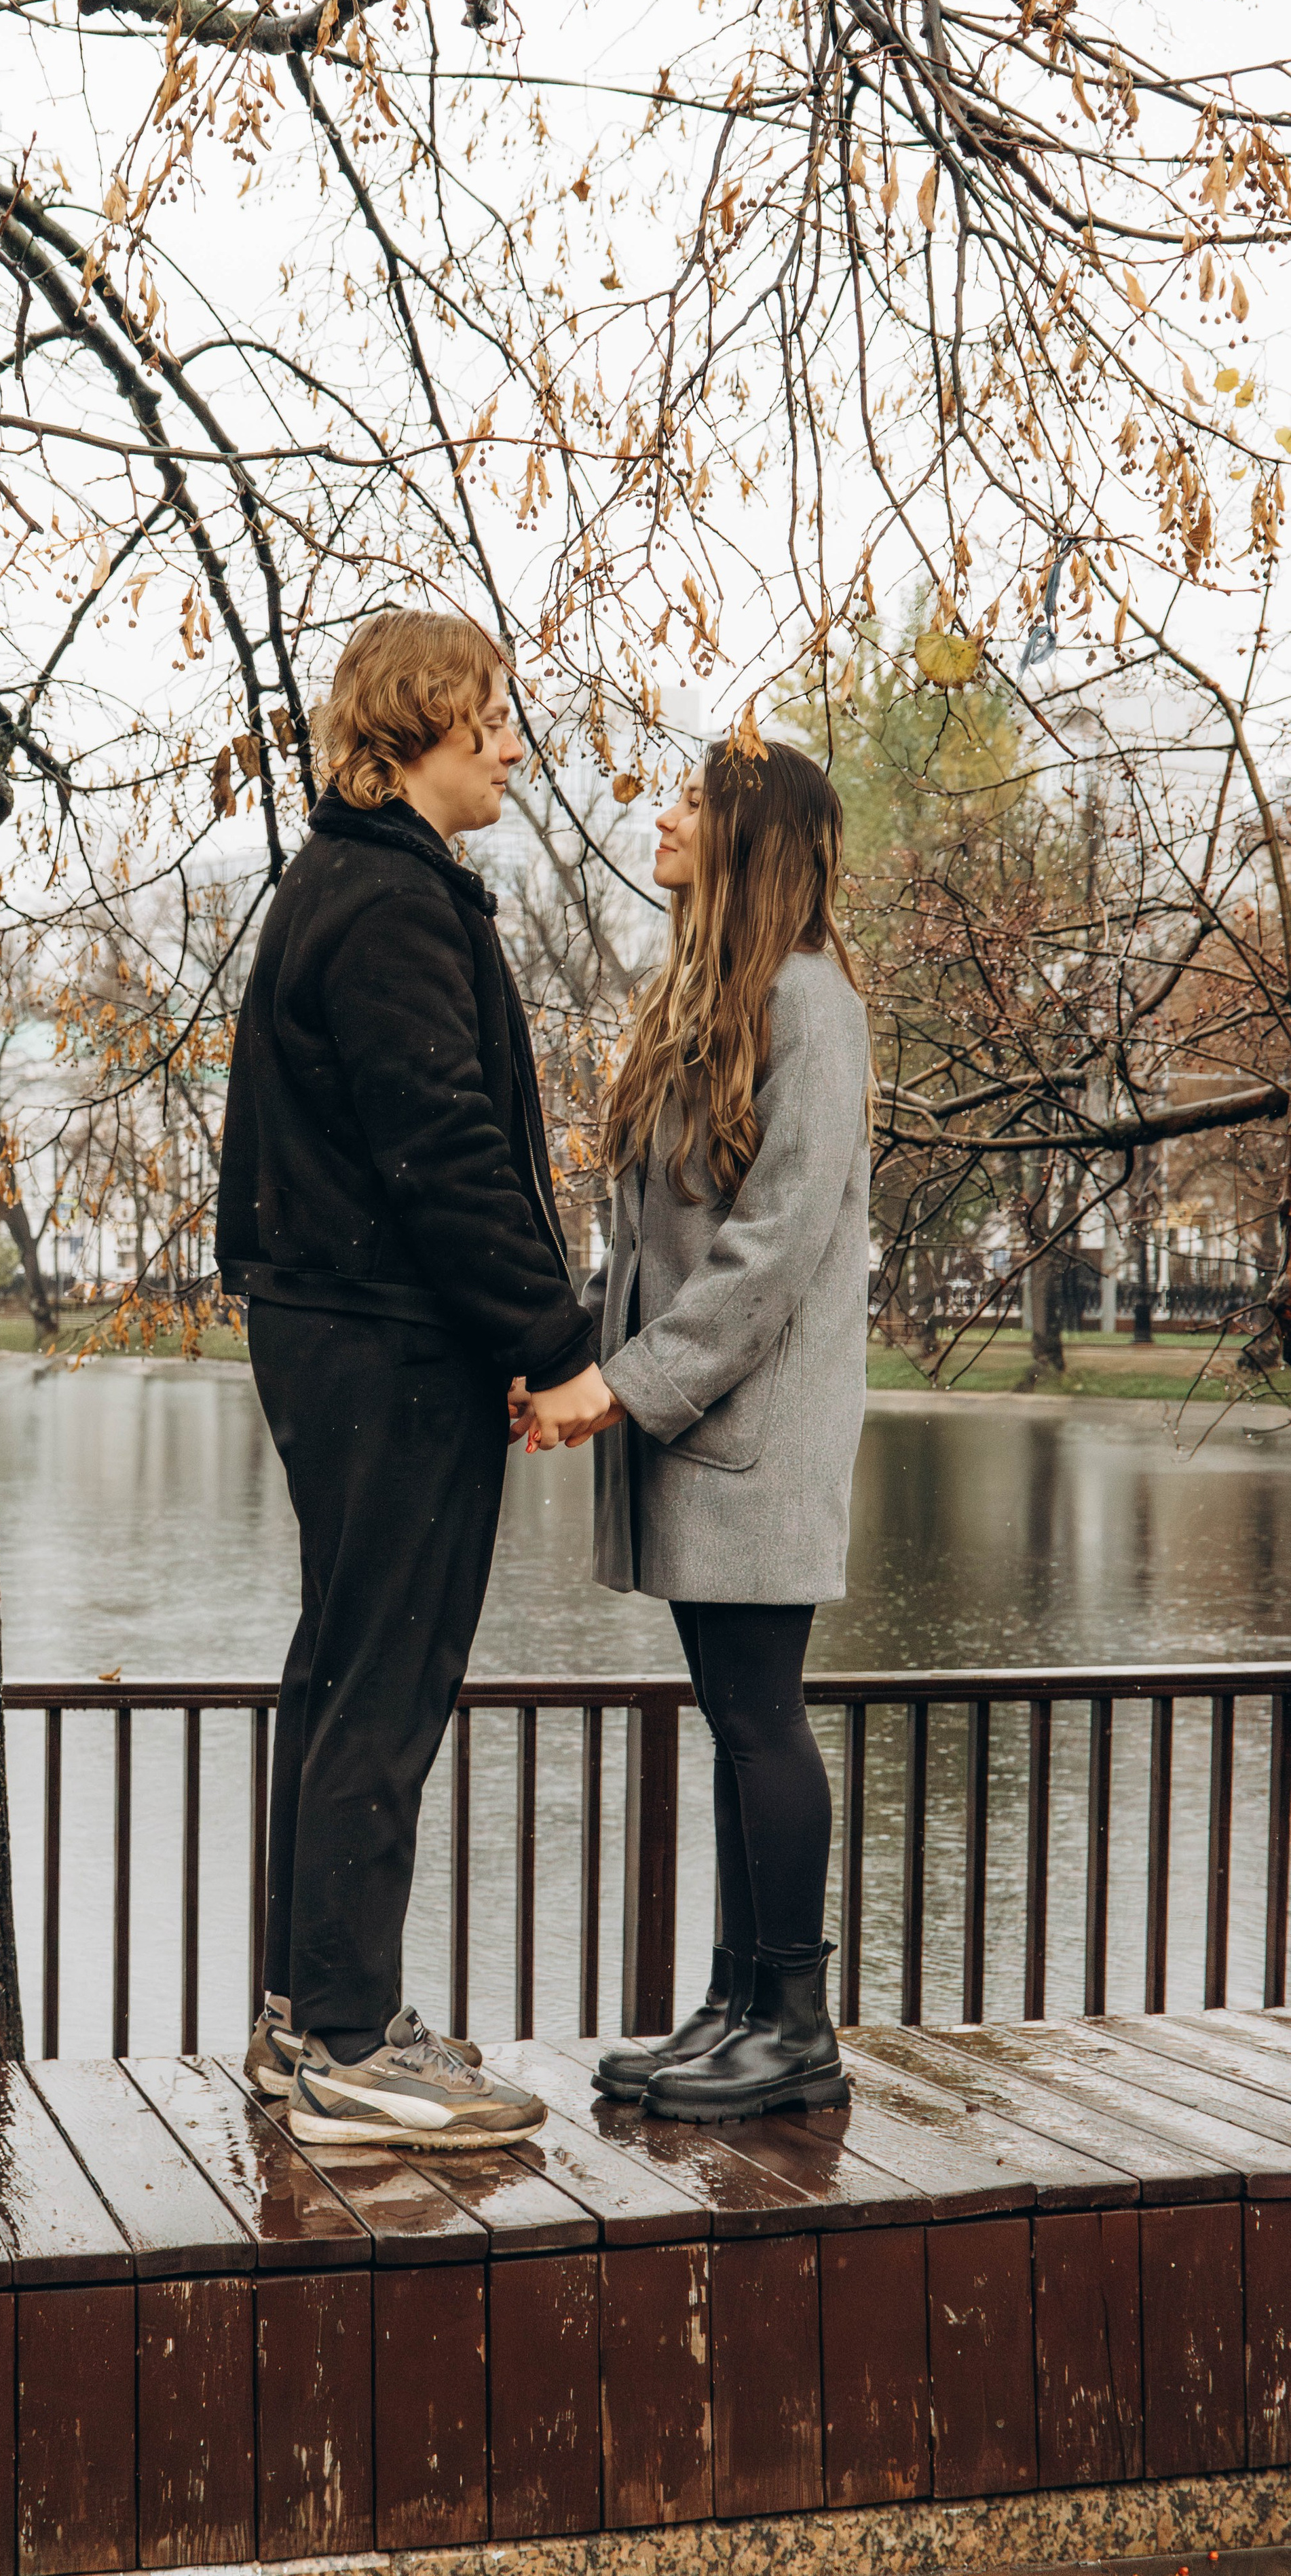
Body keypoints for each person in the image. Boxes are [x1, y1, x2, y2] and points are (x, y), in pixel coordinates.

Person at [216, 608, 612, 2147]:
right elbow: (441, 1153)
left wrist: (513, 1335)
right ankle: (346, 2048)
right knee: (384, 1671)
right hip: (381, 1331)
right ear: (425, 725)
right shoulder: (384, 902)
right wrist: (555, 1347)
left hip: (355, 1325)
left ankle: (305, 2021)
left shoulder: (363, 883)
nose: (514, 743)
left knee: (340, 1665)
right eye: (495, 716)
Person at [566, 736, 871, 2123]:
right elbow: (641, 1242)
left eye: (695, 801)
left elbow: (772, 1250)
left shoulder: (810, 1001)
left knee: (759, 1721)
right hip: (696, 1426)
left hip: (756, 1428)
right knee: (733, 1716)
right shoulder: (700, 997)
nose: (666, 815)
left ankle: (792, 2026)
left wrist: (622, 1386)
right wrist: (574, 1362)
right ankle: (736, 2002)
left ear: (756, 839)